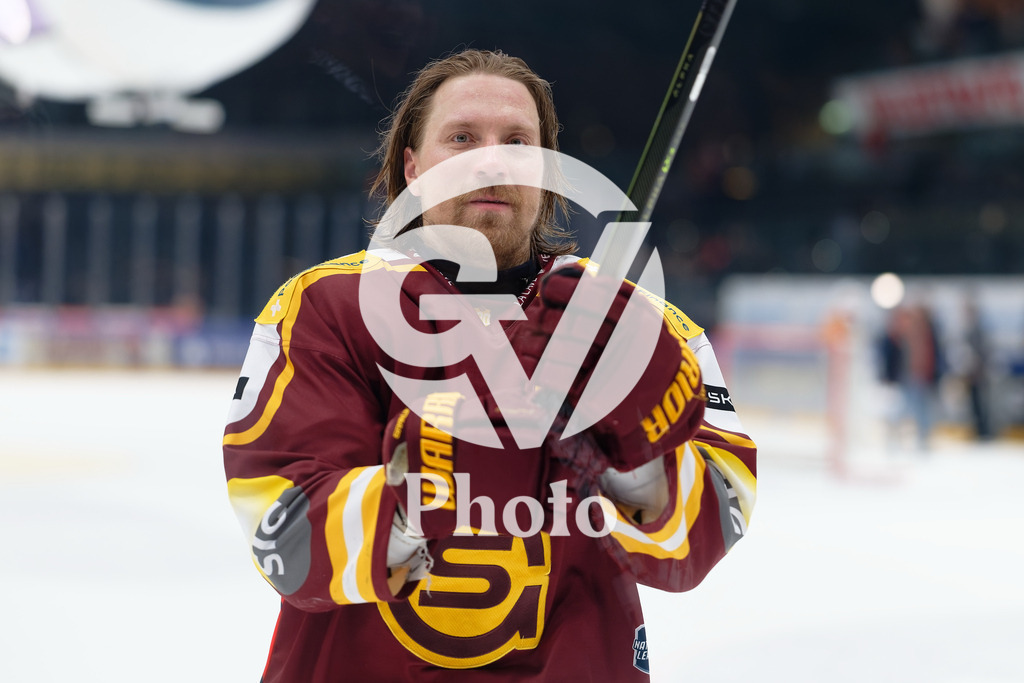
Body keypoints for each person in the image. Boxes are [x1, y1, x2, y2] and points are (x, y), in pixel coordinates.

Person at [223, 48, 757, 682]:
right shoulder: (324, 309)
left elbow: (713, 527)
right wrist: (429, 483)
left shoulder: (643, 328)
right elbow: (282, 532)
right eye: (462, 138)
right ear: (412, 167)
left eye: (517, 142)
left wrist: (639, 457)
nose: (490, 159)